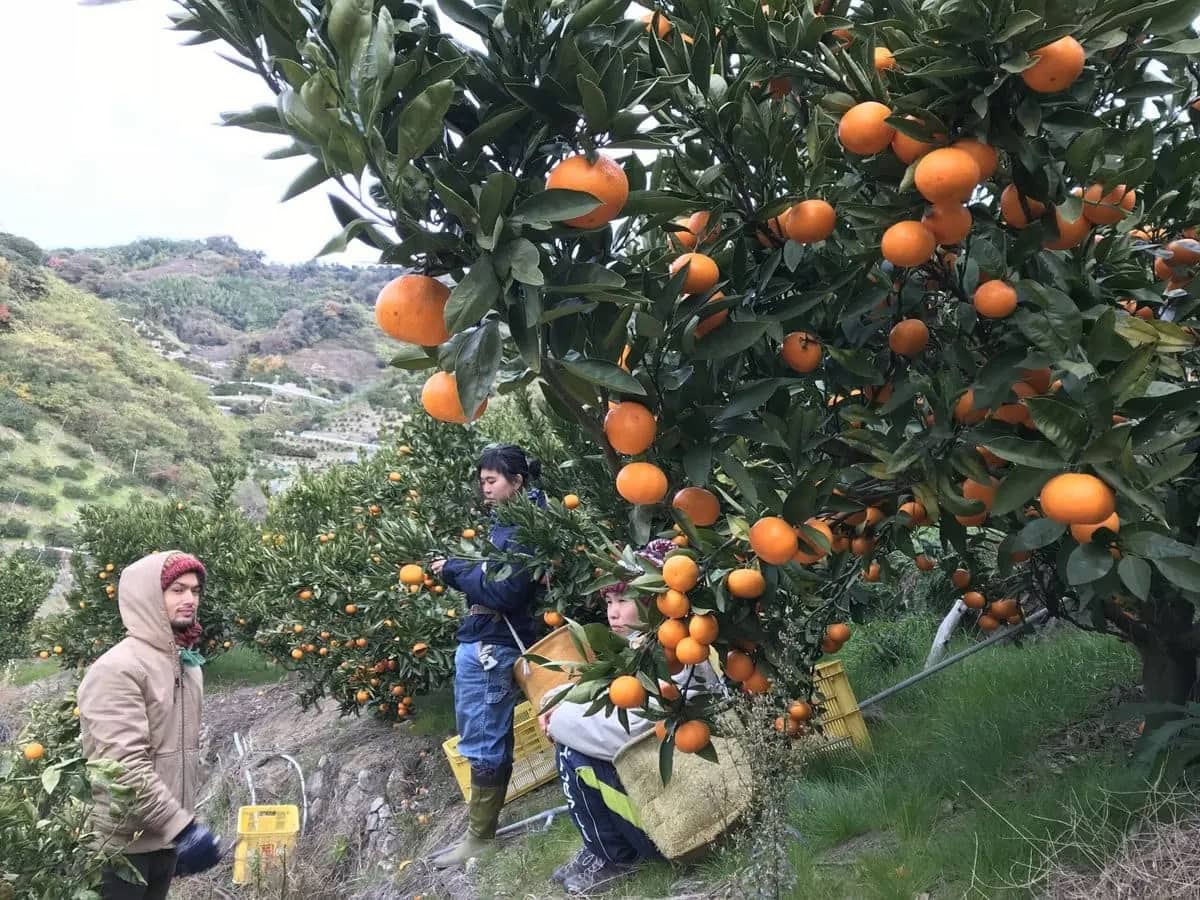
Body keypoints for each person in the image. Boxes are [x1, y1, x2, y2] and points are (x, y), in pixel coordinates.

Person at [539, 539, 716, 894]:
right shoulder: (645, 648)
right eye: (608, 602)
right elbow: (612, 696)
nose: (613, 613)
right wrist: (559, 699)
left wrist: (558, 722)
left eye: (623, 601)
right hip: (670, 791)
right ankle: (601, 850)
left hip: (684, 811)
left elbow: (622, 735)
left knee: (576, 753)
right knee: (574, 741)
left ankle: (614, 858)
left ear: (655, 601)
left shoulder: (676, 658)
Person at [78, 551, 223, 900]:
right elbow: (123, 766)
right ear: (148, 597)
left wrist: (179, 826)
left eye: (195, 590)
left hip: (165, 839)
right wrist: (184, 828)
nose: (190, 599)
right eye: (177, 589)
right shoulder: (119, 669)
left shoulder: (188, 666)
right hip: (123, 848)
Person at [429, 443, 544, 868]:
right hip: (485, 640)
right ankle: (478, 833)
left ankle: (479, 837)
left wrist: (457, 570)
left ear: (517, 481)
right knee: (482, 734)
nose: (485, 489)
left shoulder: (524, 527)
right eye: (482, 482)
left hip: (493, 645)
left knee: (484, 736)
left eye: (491, 480)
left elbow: (505, 590)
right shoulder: (510, 524)